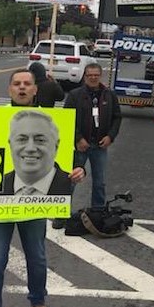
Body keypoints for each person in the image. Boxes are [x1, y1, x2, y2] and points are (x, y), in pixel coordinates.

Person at [0, 69, 85, 307]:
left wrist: (79, 170)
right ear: (9, 89)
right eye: (17, 84)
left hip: (35, 207)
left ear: (36, 89)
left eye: (27, 83)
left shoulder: (54, 119)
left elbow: (73, 156)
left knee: (37, 259)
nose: (22, 87)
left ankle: (38, 302)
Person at [64, 63, 122, 209]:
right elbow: (67, 119)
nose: (93, 78)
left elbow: (117, 117)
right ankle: (62, 213)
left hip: (100, 145)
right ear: (85, 77)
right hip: (79, 146)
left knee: (99, 182)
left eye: (96, 75)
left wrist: (110, 136)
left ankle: (98, 211)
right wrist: (78, 138)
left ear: (100, 75)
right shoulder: (75, 95)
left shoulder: (109, 95)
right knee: (71, 179)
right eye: (90, 75)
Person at [4, 109, 71, 196]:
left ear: (56, 145)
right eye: (22, 139)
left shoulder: (74, 184)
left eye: (40, 140)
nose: (30, 148)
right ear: (10, 144)